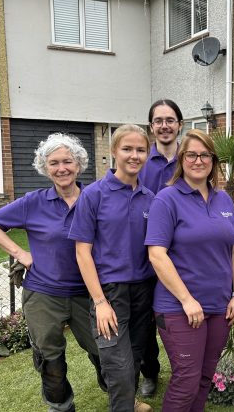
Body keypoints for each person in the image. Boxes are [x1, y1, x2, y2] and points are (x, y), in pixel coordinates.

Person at [0, 133, 105, 412]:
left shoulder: (95, 199)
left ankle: (121, 397)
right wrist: (20, 254)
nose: (62, 168)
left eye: (67, 161)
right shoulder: (32, 202)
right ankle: (61, 406)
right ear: (45, 168)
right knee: (50, 358)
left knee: (104, 350)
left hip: (89, 292)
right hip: (44, 295)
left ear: (79, 164)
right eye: (54, 163)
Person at [145, 129, 234, 412]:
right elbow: (157, 255)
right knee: (186, 379)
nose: (198, 160)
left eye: (205, 155)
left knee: (203, 377)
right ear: (182, 159)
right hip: (178, 308)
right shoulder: (167, 199)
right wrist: (187, 300)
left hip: (219, 306)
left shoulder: (223, 199)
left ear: (213, 160)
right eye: (191, 154)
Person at [69, 125, 154, 412]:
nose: (134, 155)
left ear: (148, 153)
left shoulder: (150, 199)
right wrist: (100, 302)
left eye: (140, 150)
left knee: (135, 356)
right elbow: (82, 253)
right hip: (110, 292)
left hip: (143, 291)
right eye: (127, 149)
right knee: (116, 364)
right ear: (114, 152)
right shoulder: (93, 195)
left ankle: (128, 403)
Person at [138, 98, 184, 397]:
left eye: (170, 119)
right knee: (144, 321)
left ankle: (187, 367)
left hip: (183, 251)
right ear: (151, 127)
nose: (165, 125)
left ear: (180, 124)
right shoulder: (140, 160)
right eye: (159, 120)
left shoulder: (190, 156)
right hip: (145, 252)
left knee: (183, 312)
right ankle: (150, 372)